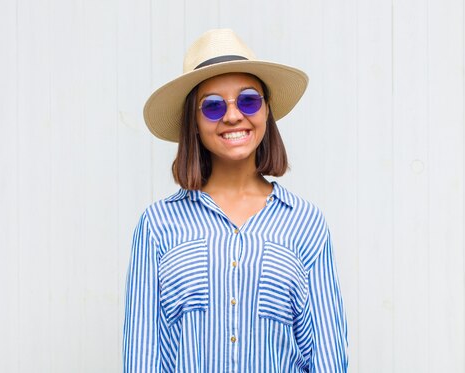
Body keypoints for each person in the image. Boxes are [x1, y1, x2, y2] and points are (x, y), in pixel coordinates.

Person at [123, 29, 348, 372]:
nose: (232, 116)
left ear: (265, 110)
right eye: (212, 106)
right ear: (194, 123)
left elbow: (328, 354)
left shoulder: (306, 223)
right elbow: (142, 355)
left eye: (248, 100)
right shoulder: (157, 226)